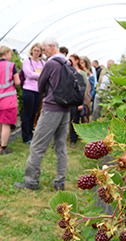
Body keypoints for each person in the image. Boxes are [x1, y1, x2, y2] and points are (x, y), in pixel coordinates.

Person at [14, 37, 70, 191]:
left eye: (44, 49)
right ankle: (60, 181)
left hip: (52, 108)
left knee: (37, 145)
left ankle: (31, 181)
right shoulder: (67, 63)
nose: (43, 53)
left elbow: (40, 86)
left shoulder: (51, 64)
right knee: (60, 146)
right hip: (65, 110)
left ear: (52, 47)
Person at [21, 43, 45, 144]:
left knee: (34, 113)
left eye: (38, 51)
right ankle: (26, 136)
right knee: (28, 113)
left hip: (38, 91)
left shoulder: (43, 63)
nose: (36, 53)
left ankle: (30, 133)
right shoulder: (27, 61)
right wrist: (39, 75)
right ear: (32, 51)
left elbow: (46, 74)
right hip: (28, 90)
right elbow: (28, 74)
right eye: (34, 50)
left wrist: (37, 75)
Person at [68, 54, 92, 148]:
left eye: (71, 60)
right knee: (70, 119)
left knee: (75, 119)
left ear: (76, 61)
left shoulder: (81, 73)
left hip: (77, 100)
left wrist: (81, 103)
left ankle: (73, 140)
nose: (69, 61)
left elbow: (84, 89)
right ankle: (71, 137)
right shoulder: (69, 71)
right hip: (69, 100)